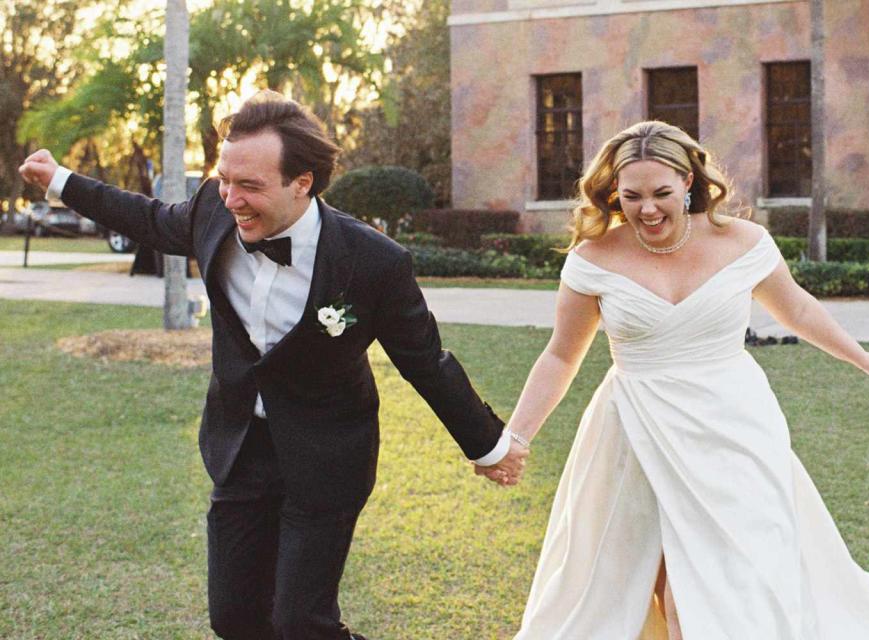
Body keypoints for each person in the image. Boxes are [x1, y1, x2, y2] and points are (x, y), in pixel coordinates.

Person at [19, 90, 528, 640]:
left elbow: (425, 361)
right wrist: (59, 180)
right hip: (241, 449)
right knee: (235, 620)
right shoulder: (214, 208)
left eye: (251, 186)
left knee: (300, 624)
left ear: (302, 183)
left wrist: (488, 445)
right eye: (224, 179)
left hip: (327, 456)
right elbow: (146, 217)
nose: (232, 199)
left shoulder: (373, 262)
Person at [500, 121, 869, 639]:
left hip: (734, 426)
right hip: (636, 430)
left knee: (726, 573)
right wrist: (515, 439)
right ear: (613, 194)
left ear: (689, 183)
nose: (647, 209)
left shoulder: (743, 242)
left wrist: (862, 357)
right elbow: (561, 356)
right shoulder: (593, 259)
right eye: (631, 197)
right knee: (665, 583)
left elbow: (798, 311)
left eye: (661, 194)